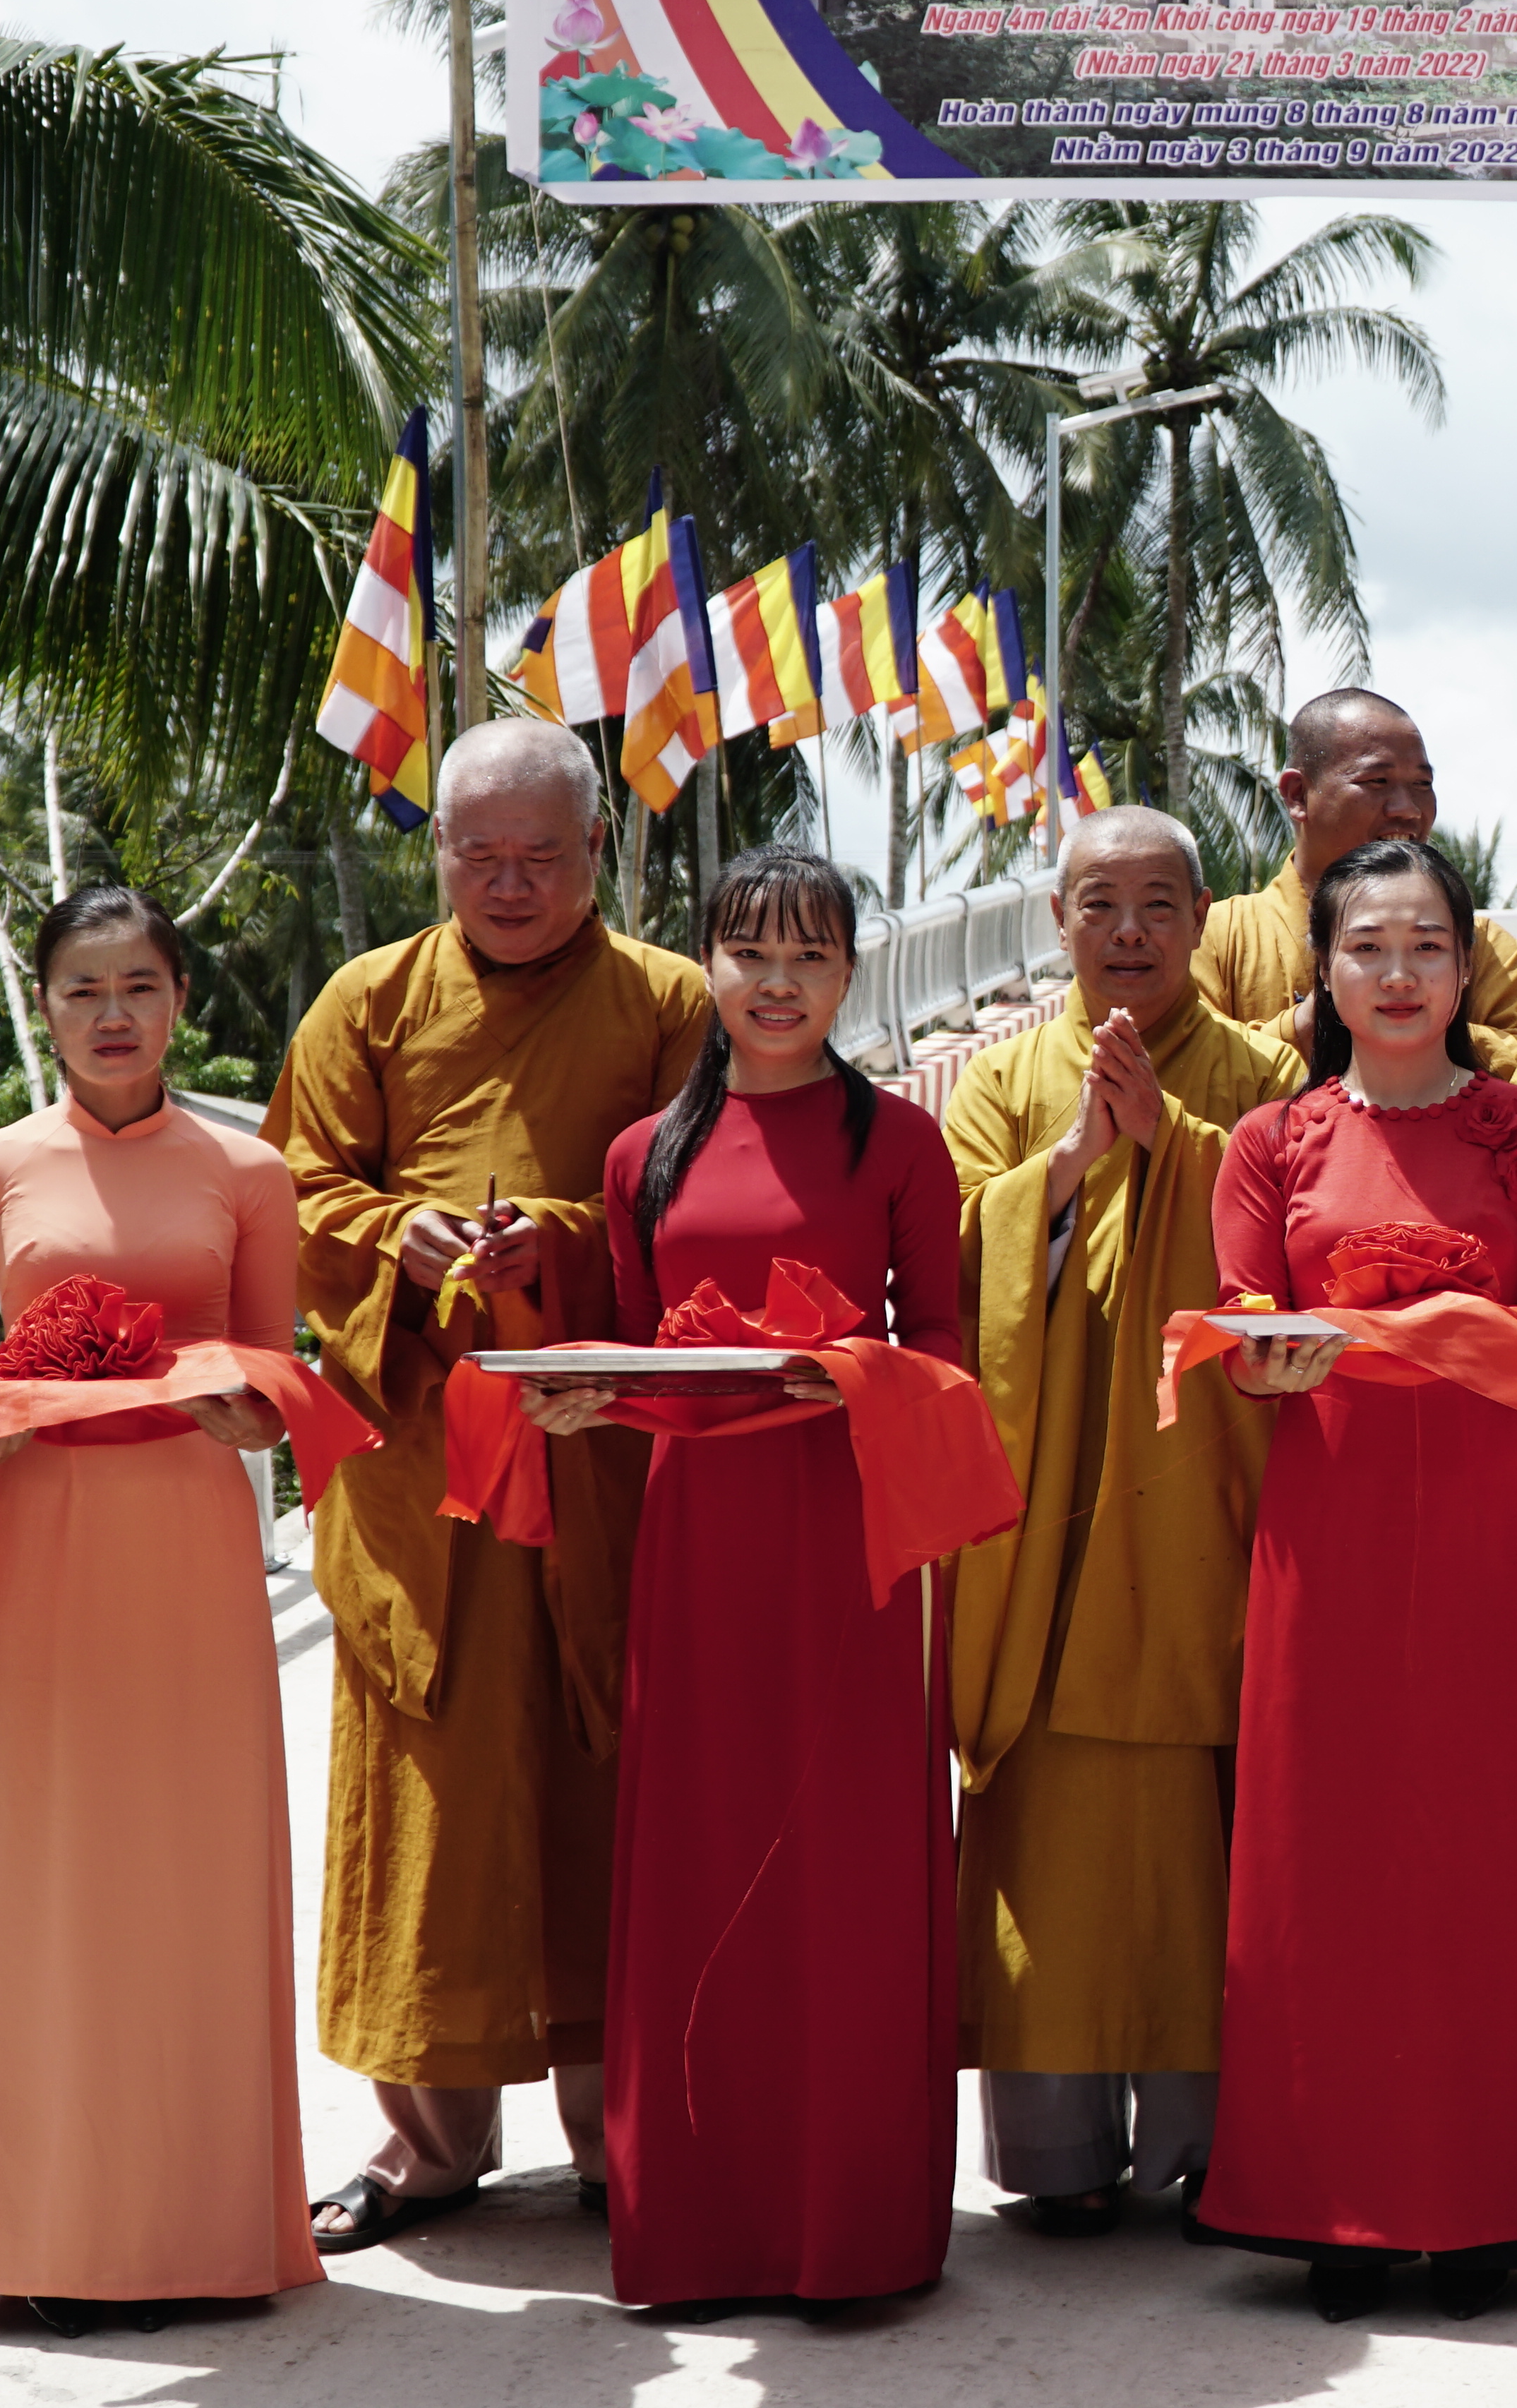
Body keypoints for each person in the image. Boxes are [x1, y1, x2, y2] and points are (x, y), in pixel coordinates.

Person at [495, 850, 969, 2307]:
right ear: (706, 961)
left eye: (811, 955)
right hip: (698, 1535)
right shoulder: (646, 1153)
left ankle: (854, 2228)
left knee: (847, 1857)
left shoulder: (898, 1142)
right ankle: (700, 2222)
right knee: (701, 1848)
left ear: (851, 973)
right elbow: (652, 1353)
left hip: (843, 1531)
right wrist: (589, 1402)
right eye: (751, 950)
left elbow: (947, 1352)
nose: (779, 981)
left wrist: (857, 1382)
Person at [263, 720, 714, 2248]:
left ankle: (618, 2129)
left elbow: (694, 1185)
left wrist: (570, 1245)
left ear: (598, 854)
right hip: (420, 1451)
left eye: (541, 854)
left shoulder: (666, 999)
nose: (510, 882)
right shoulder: (367, 998)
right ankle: (427, 2143)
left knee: (608, 1761)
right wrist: (401, 1235)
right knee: (430, 1780)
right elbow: (296, 1186)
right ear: (436, 851)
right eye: (480, 853)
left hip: (593, 1440)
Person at [1194, 837, 1517, 2321]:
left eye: (1427, 943)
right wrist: (1268, 1353)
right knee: (1327, 1849)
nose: (1399, 972)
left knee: (1476, 1843)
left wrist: (1463, 1332)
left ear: (1467, 961)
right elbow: (1240, 1326)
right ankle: (1338, 2202)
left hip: (1484, 1525)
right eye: (1368, 944)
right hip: (1327, 1531)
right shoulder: (1272, 1139)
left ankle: (1482, 2201)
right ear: (1325, 966)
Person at [0, 889, 314, 2332]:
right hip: (45, 1556)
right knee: (49, 1883)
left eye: (140, 982)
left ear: (182, 995)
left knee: (196, 1876)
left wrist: (245, 1410)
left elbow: (279, 1378)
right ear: (47, 1000)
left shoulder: (248, 1170)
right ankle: (43, 2233)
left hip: (195, 1547)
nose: (114, 1012)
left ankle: (206, 2236)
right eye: (84, 987)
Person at [941, 807, 1305, 2232]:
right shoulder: (1000, 1078)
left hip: (1197, 1505)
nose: (1132, 932)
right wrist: (1075, 1168)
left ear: (1206, 915)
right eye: (1103, 904)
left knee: (1210, 1833)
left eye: (1160, 902)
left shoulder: (1267, 1073)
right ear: (1058, 919)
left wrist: (1181, 1144)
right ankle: (1056, 2155)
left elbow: (1284, 1255)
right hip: (1046, 1532)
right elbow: (967, 1253)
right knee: (1053, 1836)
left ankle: (1213, 2144)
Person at [1191, 688, 1517, 1070]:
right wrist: (1308, 1025)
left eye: (1422, 785)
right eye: (1377, 782)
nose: (1408, 810)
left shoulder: (1478, 943)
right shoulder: (1212, 937)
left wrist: (1415, 1021)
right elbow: (1196, 1067)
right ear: (1298, 795)